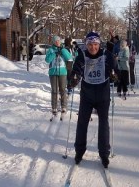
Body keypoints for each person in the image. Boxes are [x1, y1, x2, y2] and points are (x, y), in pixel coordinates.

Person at [68, 31, 116, 168]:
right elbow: (76, 70)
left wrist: (114, 75)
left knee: (103, 123)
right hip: (87, 94)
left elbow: (114, 69)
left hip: (102, 93)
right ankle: (79, 151)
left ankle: (104, 153)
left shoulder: (106, 54)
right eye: (90, 44)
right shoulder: (82, 55)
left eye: (95, 44)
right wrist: (74, 79)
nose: (92, 47)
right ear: (86, 44)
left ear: (99, 44)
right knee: (82, 122)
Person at [45, 35, 72, 116]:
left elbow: (70, 58)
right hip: (53, 72)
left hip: (63, 72)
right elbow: (47, 60)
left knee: (63, 90)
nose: (57, 42)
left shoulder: (64, 49)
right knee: (54, 90)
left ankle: (64, 106)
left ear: (60, 41)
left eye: (58, 41)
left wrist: (62, 51)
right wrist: (54, 53)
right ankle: (54, 107)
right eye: (55, 41)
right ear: (53, 42)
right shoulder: (50, 50)